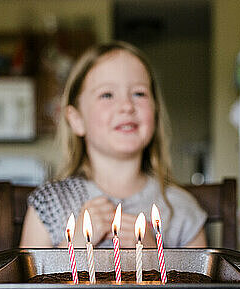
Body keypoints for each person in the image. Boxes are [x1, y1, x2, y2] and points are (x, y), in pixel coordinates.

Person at [20, 41, 207, 249]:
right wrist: (76, 244)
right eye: (107, 95)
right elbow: (31, 280)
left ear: (155, 111)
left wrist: (154, 257)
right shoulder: (50, 203)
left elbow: (198, 282)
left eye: (139, 93)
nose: (127, 106)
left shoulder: (181, 210)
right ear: (76, 119)